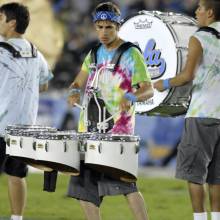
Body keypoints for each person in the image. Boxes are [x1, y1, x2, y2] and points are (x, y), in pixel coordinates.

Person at [67, 2, 153, 220]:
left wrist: (130, 96)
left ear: (118, 26)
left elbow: (148, 90)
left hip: (117, 131)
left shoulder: (130, 53)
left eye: (109, 28)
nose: (103, 32)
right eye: (100, 27)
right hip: (88, 128)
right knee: (83, 189)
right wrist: (73, 91)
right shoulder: (94, 53)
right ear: (95, 26)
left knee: (127, 186)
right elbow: (78, 81)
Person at [154, 1, 220, 220]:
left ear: (210, 12)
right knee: (217, 177)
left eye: (200, 8)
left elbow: (187, 76)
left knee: (195, 174)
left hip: (202, 114)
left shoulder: (199, 37)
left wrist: (163, 84)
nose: (196, 12)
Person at [0, 3, 53, 220]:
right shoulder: (35, 51)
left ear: (12, 23)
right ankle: (16, 219)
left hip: (1, 123)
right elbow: (45, 84)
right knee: (16, 175)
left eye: (0, 17)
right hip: (23, 127)